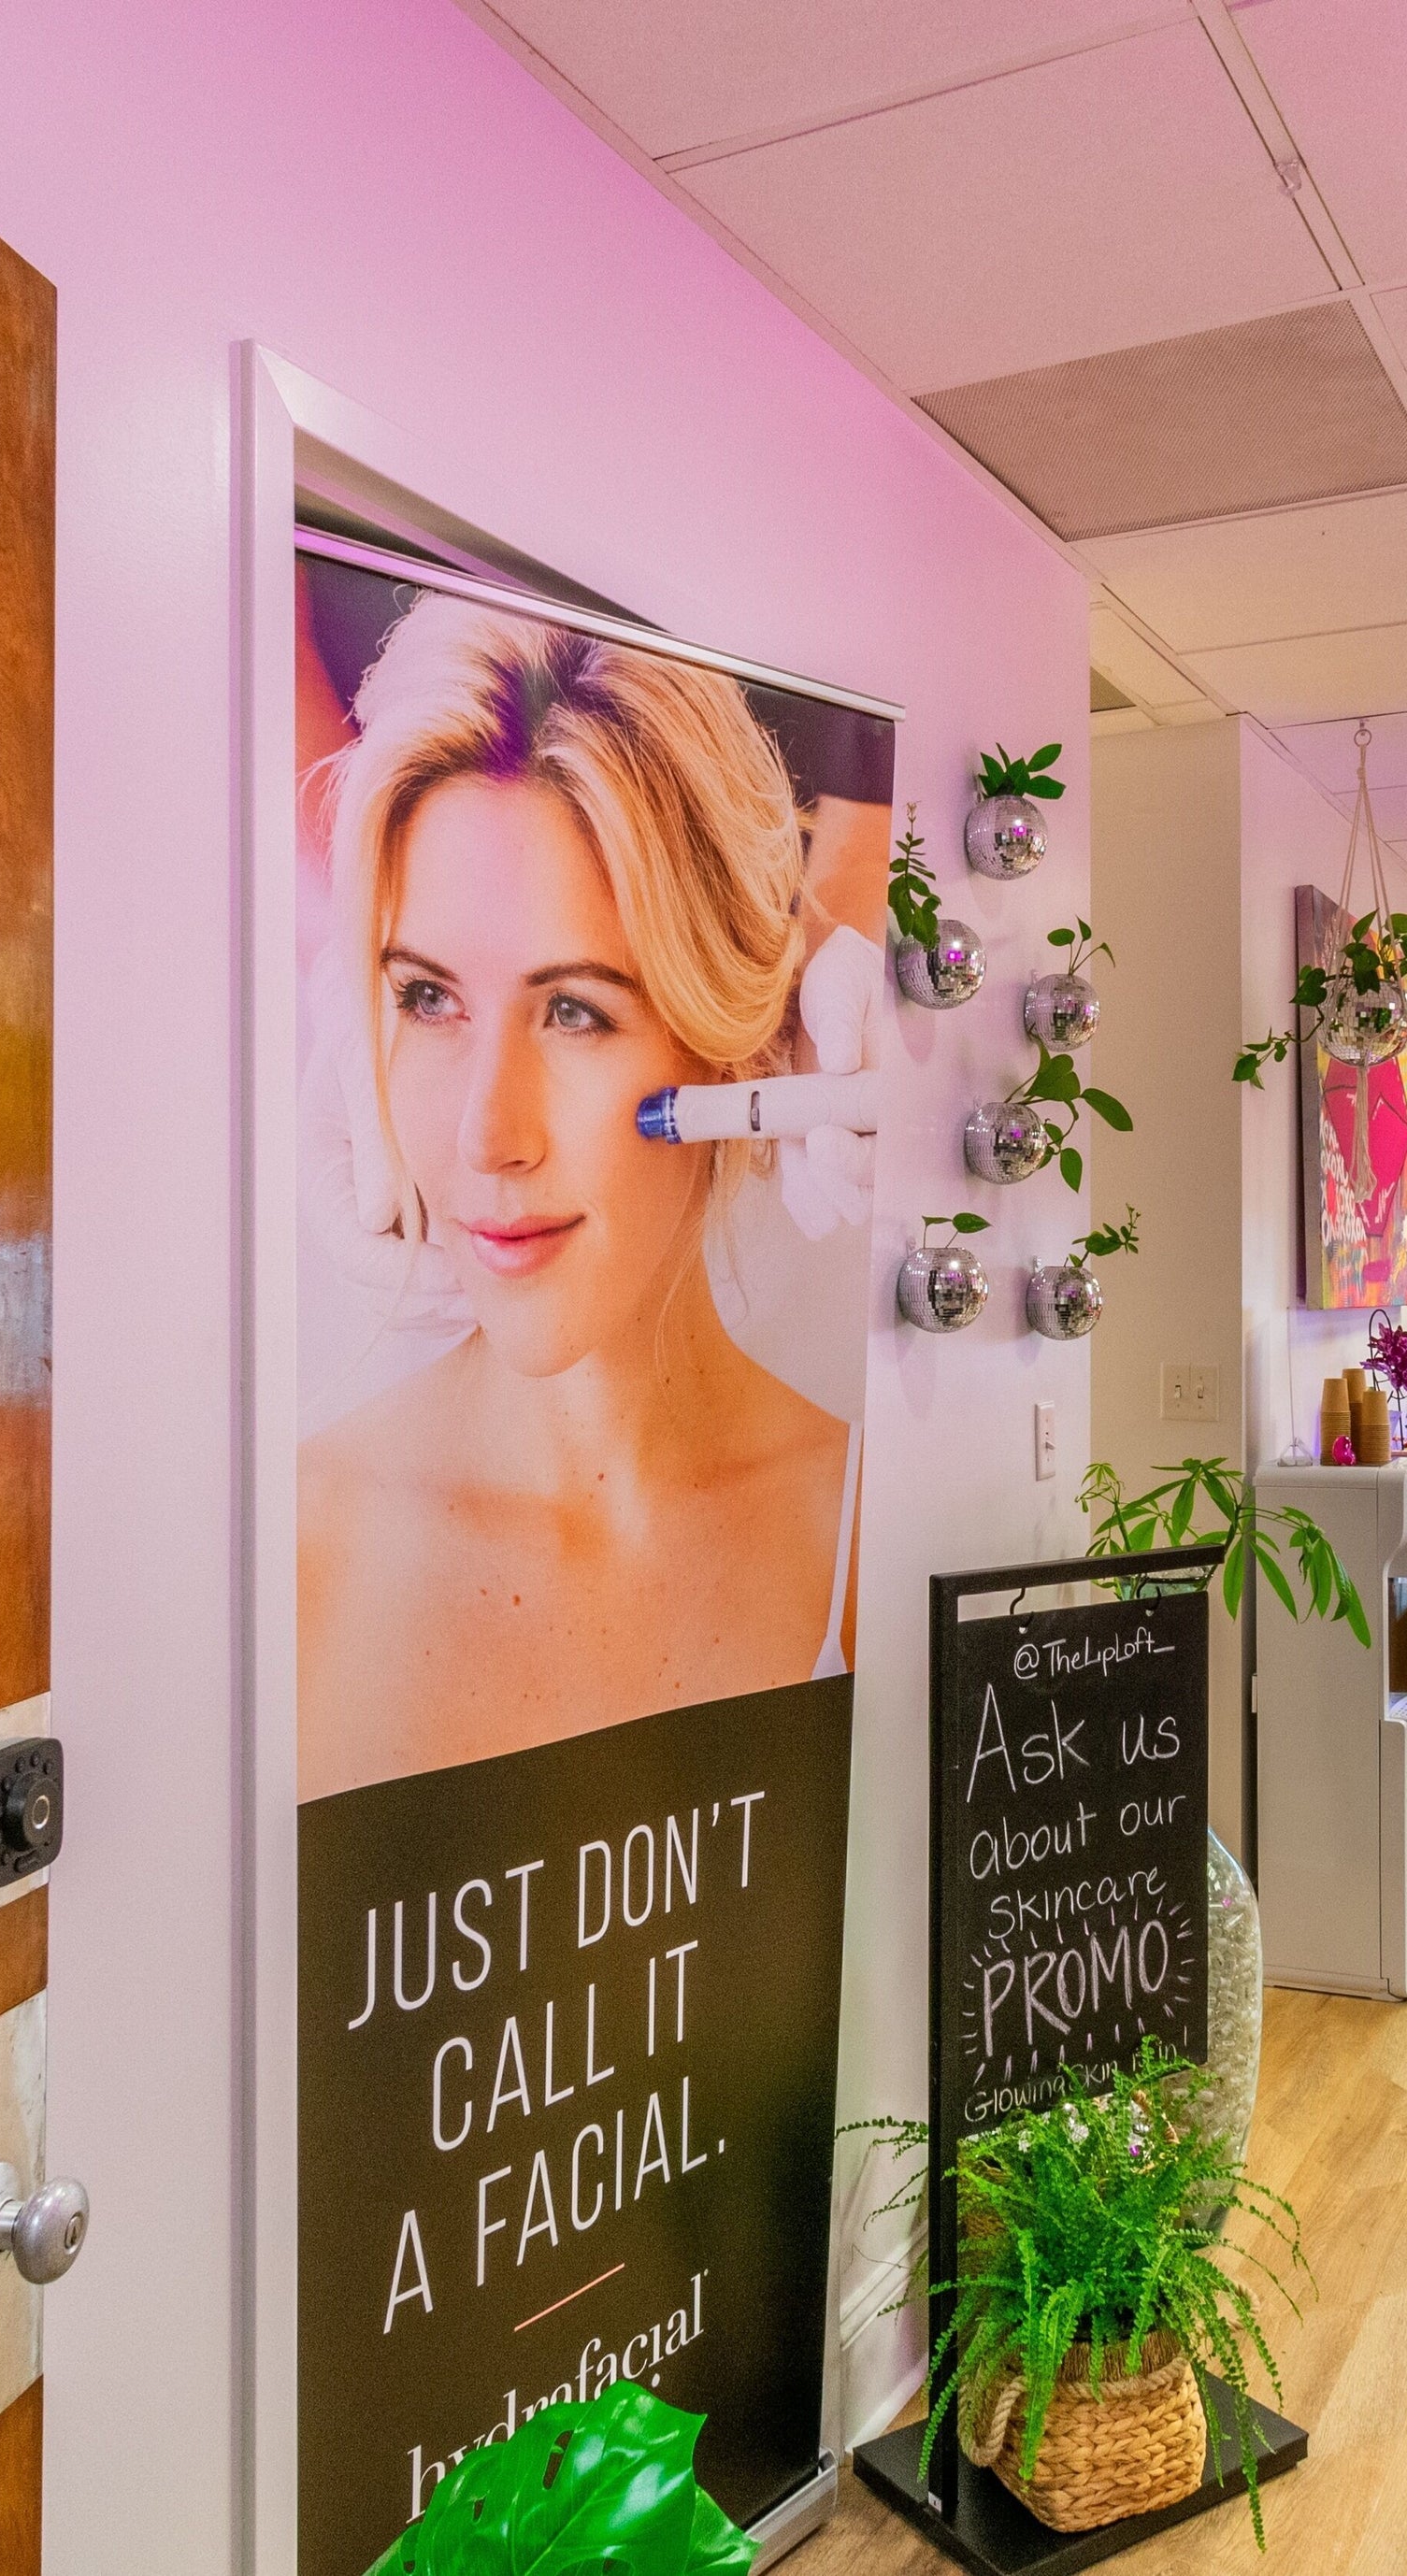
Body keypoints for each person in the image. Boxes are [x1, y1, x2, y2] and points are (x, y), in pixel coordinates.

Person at [296, 598, 860, 1800]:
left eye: (576, 1010)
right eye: (427, 999)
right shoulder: (294, 1549)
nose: (485, 1139)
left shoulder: (861, 1532)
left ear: (729, 1050)